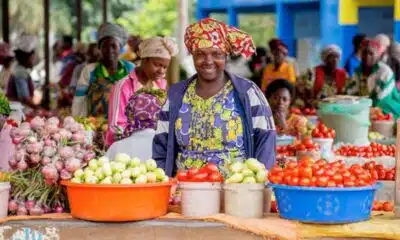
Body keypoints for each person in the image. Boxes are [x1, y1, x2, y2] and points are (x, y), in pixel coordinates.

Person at [152, 18, 276, 176]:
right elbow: (161, 146)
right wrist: (165, 183)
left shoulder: (248, 93)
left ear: (226, 55)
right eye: (200, 54)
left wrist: (257, 185)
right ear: (193, 56)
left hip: (235, 190)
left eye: (216, 54)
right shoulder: (176, 95)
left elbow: (266, 141)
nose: (208, 61)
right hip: (185, 190)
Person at [106, 36, 178, 147]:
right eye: (157, 64)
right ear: (144, 59)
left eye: (165, 67)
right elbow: (115, 127)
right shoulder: (123, 87)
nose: (161, 71)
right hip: (128, 148)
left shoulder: (161, 85)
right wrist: (139, 141)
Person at [72, 23, 135, 118]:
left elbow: (138, 97)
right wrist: (79, 122)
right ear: (99, 48)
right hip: (95, 125)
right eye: (105, 46)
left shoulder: (130, 69)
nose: (109, 50)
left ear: (120, 48)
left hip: (124, 126)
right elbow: (79, 99)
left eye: (114, 46)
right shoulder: (90, 70)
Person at [346, 39, 400, 119]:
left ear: (378, 55)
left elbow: (379, 98)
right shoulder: (358, 71)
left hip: (388, 111)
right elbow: (352, 93)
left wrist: (360, 107)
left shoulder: (384, 71)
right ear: (360, 54)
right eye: (364, 53)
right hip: (367, 110)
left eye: (371, 53)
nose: (367, 56)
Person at [6, 35, 39, 109]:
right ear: (26, 58)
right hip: (19, 110)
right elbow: (25, 97)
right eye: (32, 57)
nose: (33, 60)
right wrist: (37, 107)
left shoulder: (18, 68)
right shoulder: (21, 72)